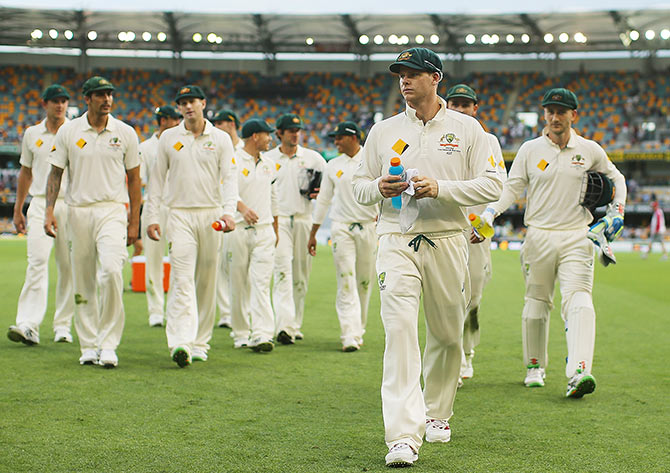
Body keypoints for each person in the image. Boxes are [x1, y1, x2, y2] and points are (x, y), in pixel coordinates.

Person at [352, 47, 502, 467]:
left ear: (435, 77)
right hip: (396, 239)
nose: (404, 80)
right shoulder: (382, 131)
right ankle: (401, 434)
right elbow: (357, 185)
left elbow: (494, 184)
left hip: (448, 238)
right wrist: (377, 188)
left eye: (413, 73)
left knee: (448, 333)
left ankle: (438, 411)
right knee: (399, 330)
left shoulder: (468, 130)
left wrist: (442, 188)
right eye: (400, 74)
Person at [480, 87, 627, 398]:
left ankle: (579, 371)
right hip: (538, 236)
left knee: (580, 300)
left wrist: (617, 213)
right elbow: (512, 188)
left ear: (573, 115)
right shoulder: (530, 150)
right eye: (550, 111)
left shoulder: (589, 150)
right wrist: (490, 212)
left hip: (578, 235)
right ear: (544, 114)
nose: (555, 117)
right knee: (536, 305)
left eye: (562, 111)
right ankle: (535, 367)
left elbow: (617, 180)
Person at [45, 76, 142, 368]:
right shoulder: (69, 131)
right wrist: (49, 211)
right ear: (87, 99)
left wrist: (134, 221)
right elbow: (55, 174)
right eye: (100, 94)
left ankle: (108, 344)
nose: (107, 99)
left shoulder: (125, 132)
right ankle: (88, 344)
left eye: (109, 94)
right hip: (78, 210)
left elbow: (135, 179)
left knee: (112, 271)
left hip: (112, 209)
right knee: (83, 278)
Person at [145, 85, 237, 368]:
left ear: (203, 103)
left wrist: (229, 212)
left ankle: (200, 342)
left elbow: (230, 178)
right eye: (182, 102)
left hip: (210, 216)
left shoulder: (220, 139)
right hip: (179, 214)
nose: (187, 106)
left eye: (192, 101)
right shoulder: (169, 138)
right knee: (181, 278)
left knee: (207, 280)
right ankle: (180, 341)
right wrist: (152, 217)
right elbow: (157, 179)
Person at [445, 84, 508, 382]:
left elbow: (500, 185)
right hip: (445, 230)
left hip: (476, 234)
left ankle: (468, 352)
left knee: (473, 301)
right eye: (454, 104)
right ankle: (453, 360)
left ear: (475, 108)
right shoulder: (438, 138)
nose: (458, 109)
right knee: (448, 299)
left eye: (464, 105)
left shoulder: (489, 141)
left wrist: (485, 221)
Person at [8, 84, 75, 346]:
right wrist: (18, 208)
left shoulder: (74, 132)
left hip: (69, 204)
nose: (60, 105)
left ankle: (63, 325)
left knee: (68, 267)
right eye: (55, 101)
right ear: (45, 104)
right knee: (36, 263)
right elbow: (26, 171)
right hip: (38, 203)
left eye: (63, 101)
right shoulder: (32, 133)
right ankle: (28, 324)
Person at [307, 121, 378, 352]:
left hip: (368, 226)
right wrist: (314, 231)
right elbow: (324, 200)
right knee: (345, 279)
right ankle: (349, 333)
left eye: (339, 137)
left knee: (364, 282)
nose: (335, 142)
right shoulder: (333, 165)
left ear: (353, 137)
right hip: (342, 228)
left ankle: (359, 329)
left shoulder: (373, 159)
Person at [265, 113, 325, 344]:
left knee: (301, 276)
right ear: (279, 133)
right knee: (281, 273)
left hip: (303, 219)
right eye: (290, 130)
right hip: (278, 221)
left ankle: (294, 324)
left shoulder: (314, 159)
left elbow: (326, 190)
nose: (295, 133)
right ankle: (284, 325)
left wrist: (318, 193)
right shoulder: (268, 159)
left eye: (298, 129)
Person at [225, 118, 278, 351]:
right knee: (238, 284)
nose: (270, 139)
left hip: (264, 231)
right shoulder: (233, 160)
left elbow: (273, 198)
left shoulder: (269, 164)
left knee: (261, 283)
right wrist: (243, 209)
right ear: (255, 136)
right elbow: (226, 192)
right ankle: (240, 332)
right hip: (237, 230)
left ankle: (262, 333)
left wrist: (275, 229)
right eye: (267, 134)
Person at [139, 105, 182, 327]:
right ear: (163, 120)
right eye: (175, 119)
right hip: (154, 206)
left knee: (180, 259)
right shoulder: (146, 147)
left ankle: (175, 307)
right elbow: (139, 182)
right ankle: (155, 310)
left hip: (177, 207)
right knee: (153, 260)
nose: (178, 122)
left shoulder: (181, 143)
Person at [211, 109, 243, 329]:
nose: (216, 126)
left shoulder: (244, 150)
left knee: (238, 268)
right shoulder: (215, 146)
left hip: (242, 217)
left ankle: (241, 310)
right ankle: (225, 313)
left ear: (231, 124)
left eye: (220, 122)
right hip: (219, 212)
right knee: (220, 264)